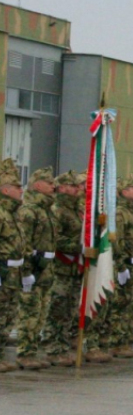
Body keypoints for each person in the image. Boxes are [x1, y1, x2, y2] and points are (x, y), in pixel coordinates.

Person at [15, 167, 57, 370]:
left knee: (41, 313)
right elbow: (24, 244)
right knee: (30, 313)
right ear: (38, 185)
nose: (53, 186)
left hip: (46, 270)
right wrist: (26, 273)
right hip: (33, 269)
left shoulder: (46, 210)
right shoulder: (29, 211)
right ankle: (25, 352)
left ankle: (32, 350)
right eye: (49, 183)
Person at [42, 170, 82, 367]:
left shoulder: (76, 209)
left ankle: (62, 345)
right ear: (63, 188)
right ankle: (52, 347)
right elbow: (56, 239)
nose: (77, 189)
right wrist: (79, 246)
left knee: (69, 309)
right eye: (73, 186)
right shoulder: (58, 209)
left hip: (75, 268)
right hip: (61, 267)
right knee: (57, 308)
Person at [106, 174, 133, 358]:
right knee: (120, 305)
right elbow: (117, 241)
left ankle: (124, 339)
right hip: (126, 266)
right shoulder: (120, 213)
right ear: (123, 192)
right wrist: (122, 266)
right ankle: (116, 342)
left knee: (131, 305)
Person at [0, 158, 26, 373]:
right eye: (17, 187)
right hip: (3, 270)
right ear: (6, 190)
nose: (21, 190)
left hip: (13, 271)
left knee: (8, 315)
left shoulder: (14, 213)